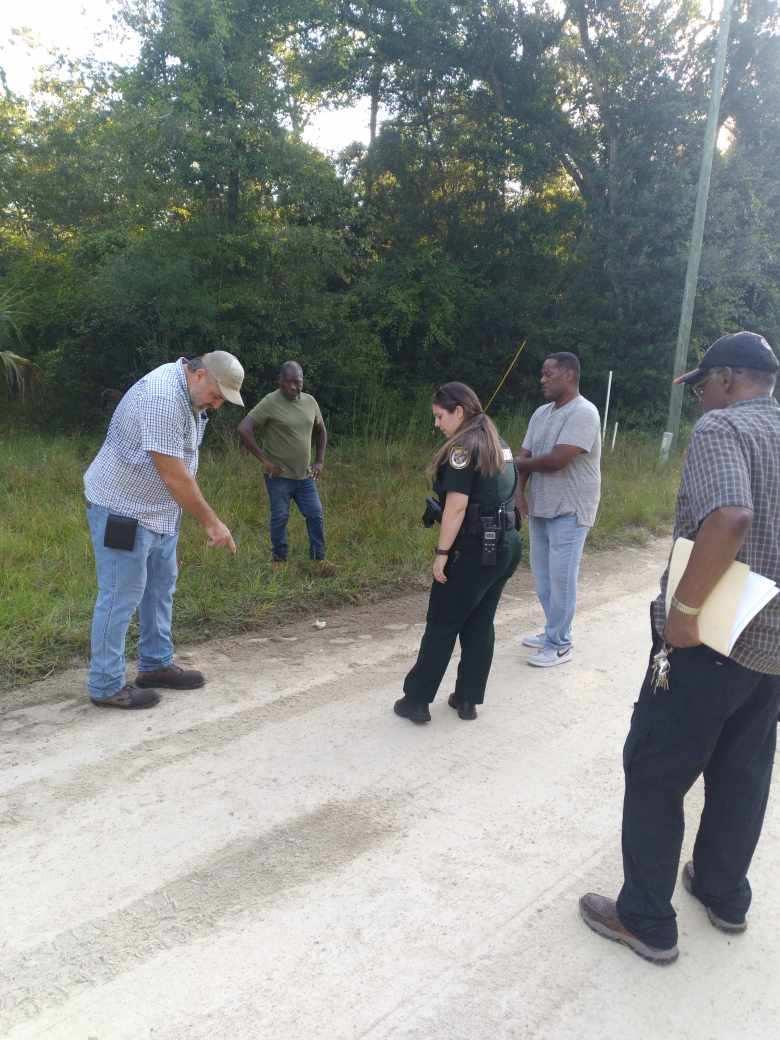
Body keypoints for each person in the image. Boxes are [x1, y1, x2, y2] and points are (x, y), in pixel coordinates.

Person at [579, 331, 780, 965]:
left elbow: (729, 518)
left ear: (724, 380)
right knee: (743, 772)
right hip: (773, 648)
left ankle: (645, 918)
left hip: (715, 637)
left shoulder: (725, 430)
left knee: (654, 770)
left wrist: (683, 615)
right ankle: (723, 893)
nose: (699, 402)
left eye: (700, 390)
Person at [83, 351, 245, 710]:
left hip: (159, 512)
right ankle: (106, 684)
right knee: (120, 595)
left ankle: (155, 664)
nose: (217, 406)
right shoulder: (162, 398)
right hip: (122, 510)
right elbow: (174, 475)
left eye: (222, 401)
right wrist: (212, 522)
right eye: (217, 395)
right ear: (200, 375)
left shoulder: (190, 396)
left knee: (159, 588)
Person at [394, 382, 522, 724]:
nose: (436, 424)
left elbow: (456, 508)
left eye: (439, 416)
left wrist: (441, 554)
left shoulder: (462, 450)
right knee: (480, 622)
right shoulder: (499, 443)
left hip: (474, 549)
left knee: (442, 623)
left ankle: (417, 701)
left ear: (459, 412)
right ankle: (467, 700)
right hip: (507, 544)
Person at [514, 352, 601, 667]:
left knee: (561, 579)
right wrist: (517, 492)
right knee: (543, 578)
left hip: (571, 509)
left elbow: (556, 460)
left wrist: (514, 462)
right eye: (542, 373)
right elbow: (526, 454)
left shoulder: (584, 412)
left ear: (569, 375)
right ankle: (552, 631)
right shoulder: (541, 413)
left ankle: (560, 643)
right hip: (542, 506)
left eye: (548, 373)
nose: (542, 379)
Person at [237, 361, 332, 572]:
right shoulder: (270, 402)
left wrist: (319, 461)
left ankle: (319, 560)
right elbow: (244, 428)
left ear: (302, 382)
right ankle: (279, 561)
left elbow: (321, 430)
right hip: (279, 476)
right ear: (279, 381)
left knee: (315, 514)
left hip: (304, 476)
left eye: (297, 382)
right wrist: (265, 461)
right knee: (280, 517)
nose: (292, 387)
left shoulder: (310, 401)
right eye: (288, 382)